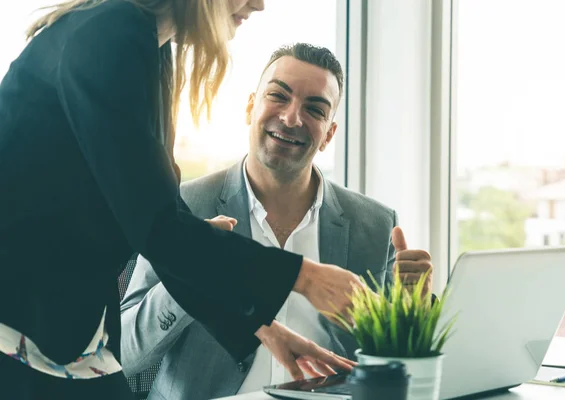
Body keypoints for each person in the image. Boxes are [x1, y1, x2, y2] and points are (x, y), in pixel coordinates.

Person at [0, 2, 362, 399]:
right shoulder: (113, 34)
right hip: (24, 333)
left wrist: (263, 328)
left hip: (62, 333)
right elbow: (157, 227)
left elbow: (159, 216)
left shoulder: (147, 45)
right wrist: (304, 277)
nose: (259, 4)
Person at [120, 43, 434, 400]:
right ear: (250, 106)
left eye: (314, 109)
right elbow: (125, 353)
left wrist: (409, 312)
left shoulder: (375, 225)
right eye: (278, 96)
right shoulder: (183, 206)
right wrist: (195, 267)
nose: (291, 118)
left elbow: (386, 367)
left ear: (329, 134)